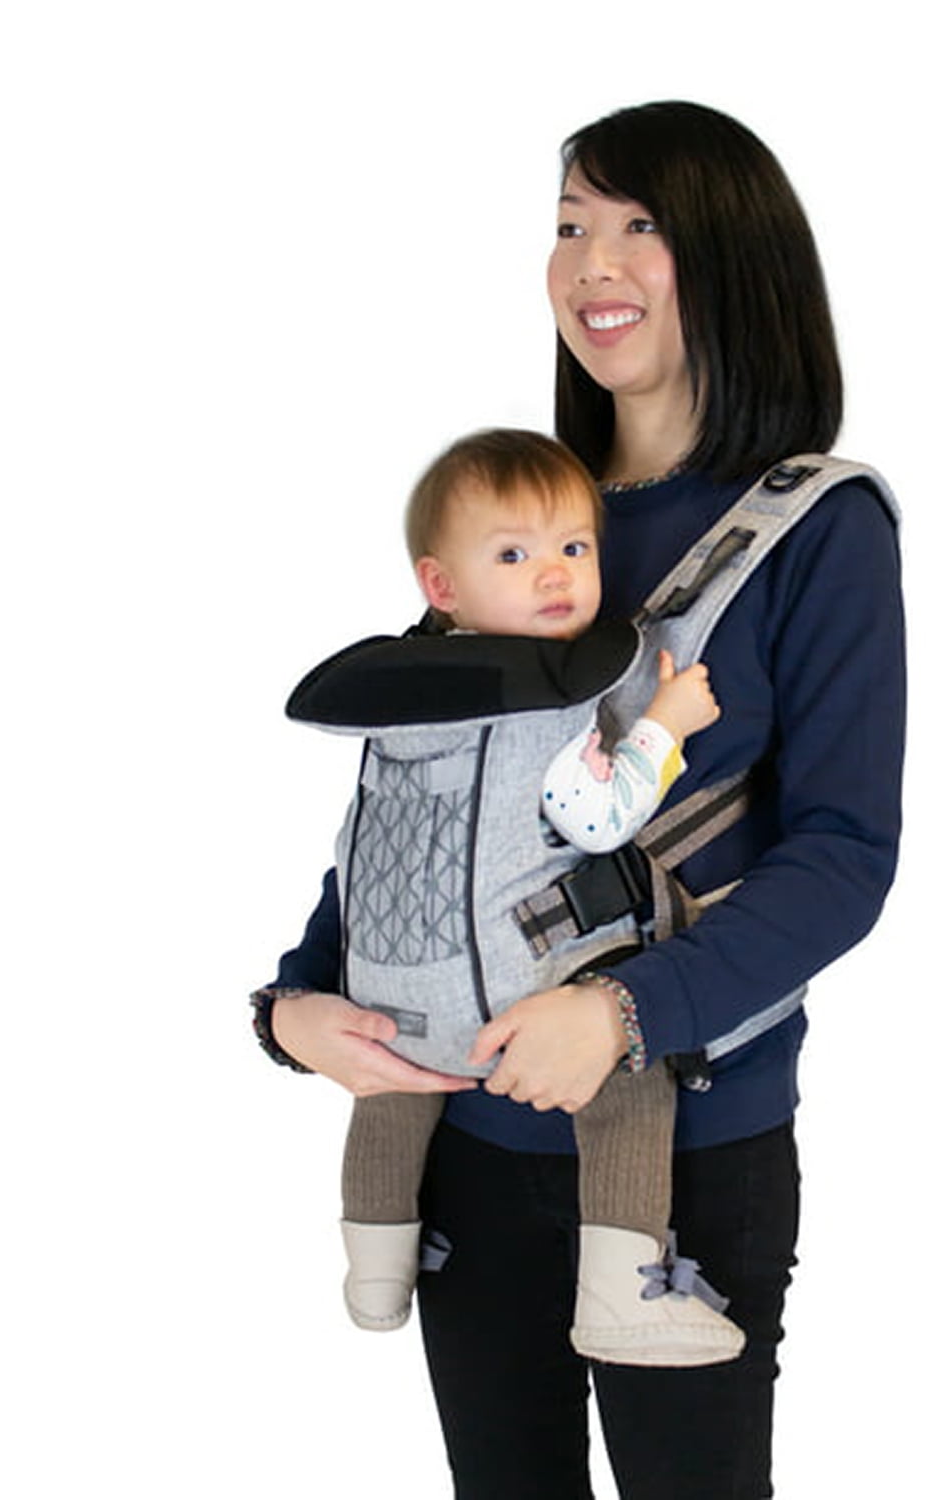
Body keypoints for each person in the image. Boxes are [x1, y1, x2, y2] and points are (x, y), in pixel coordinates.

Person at [254, 100, 905, 1498]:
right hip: (462, 1133)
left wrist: (619, 1012)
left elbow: (844, 858)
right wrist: (295, 1006)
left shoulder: (816, 528)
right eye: (568, 226)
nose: (591, 264)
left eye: (637, 225)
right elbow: (426, 798)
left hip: (686, 1142)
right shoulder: (521, 508)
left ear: (734, 255)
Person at [304, 425, 742, 1365]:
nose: (555, 574)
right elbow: (598, 817)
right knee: (632, 1079)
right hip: (516, 1001)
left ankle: (375, 1265)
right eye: (514, 555)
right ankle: (622, 1291)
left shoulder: (400, 699)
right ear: (441, 585)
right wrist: (664, 725)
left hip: (386, 995)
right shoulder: (551, 696)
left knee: (395, 1092)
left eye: (574, 548)